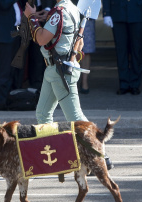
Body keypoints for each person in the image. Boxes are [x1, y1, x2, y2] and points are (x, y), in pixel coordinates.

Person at [24, 0, 114, 170]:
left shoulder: (59, 12)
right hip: (56, 68)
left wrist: (31, 19)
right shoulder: (71, 8)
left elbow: (42, 38)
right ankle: (50, 158)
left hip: (60, 70)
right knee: (43, 113)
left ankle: (101, 156)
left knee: (75, 117)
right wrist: (44, 16)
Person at [103, 0, 142, 95]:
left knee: (137, 50)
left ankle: (135, 84)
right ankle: (123, 83)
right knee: (121, 51)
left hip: (138, 12)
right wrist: (106, 12)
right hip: (118, 12)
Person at [0, 0, 23, 110]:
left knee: (13, 70)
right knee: (3, 70)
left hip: (14, 33)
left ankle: (11, 100)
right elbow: (4, 4)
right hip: (2, 34)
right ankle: (1, 102)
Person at [80, 18, 96, 94]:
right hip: (69, 13)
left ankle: (84, 81)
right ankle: (71, 81)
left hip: (87, 15)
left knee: (86, 50)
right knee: (69, 50)